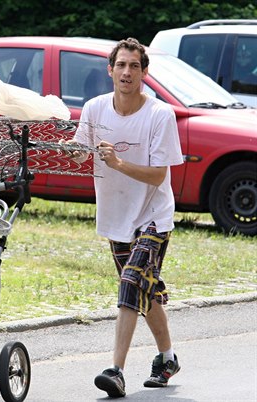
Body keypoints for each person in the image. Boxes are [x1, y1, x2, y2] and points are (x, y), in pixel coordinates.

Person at [67, 37, 184, 398]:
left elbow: (158, 175)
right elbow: (77, 152)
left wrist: (117, 162)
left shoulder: (160, 114)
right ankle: (167, 358)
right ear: (110, 70)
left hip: (153, 216)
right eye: (121, 65)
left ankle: (115, 370)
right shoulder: (94, 108)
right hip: (116, 217)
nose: (127, 72)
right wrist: (65, 150)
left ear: (145, 73)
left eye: (134, 66)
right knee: (143, 292)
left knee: (131, 283)